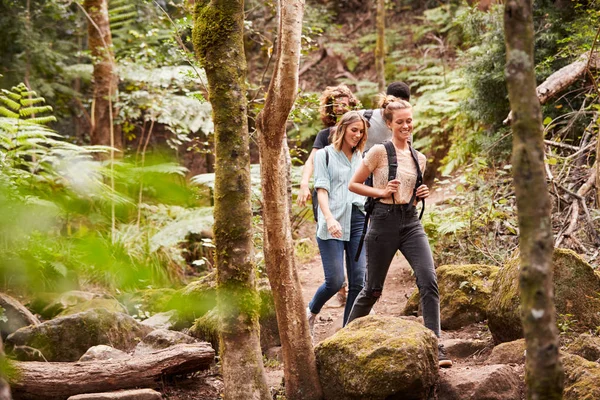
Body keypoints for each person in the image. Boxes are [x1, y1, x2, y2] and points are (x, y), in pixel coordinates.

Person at [346, 97, 453, 368]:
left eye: (409, 121)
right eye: (401, 122)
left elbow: (412, 196)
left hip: (410, 222)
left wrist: (420, 194)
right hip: (382, 222)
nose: (407, 126)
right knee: (372, 290)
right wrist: (381, 192)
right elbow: (354, 184)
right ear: (390, 123)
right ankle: (344, 342)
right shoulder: (379, 152)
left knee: (428, 280)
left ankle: (435, 346)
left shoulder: (420, 158)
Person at [297, 81, 411, 207]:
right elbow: (312, 161)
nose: (340, 108)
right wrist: (304, 183)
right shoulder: (325, 135)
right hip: (330, 193)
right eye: (336, 105)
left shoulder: (360, 136)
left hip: (360, 195)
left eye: (343, 105)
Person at [307, 111, 370, 333]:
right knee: (334, 281)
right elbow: (322, 191)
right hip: (331, 222)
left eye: (361, 132)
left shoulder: (362, 156)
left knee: (358, 282)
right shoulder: (324, 155)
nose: (357, 135)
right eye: (354, 130)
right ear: (342, 129)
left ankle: (348, 331)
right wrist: (330, 218)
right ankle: (311, 312)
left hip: (358, 221)